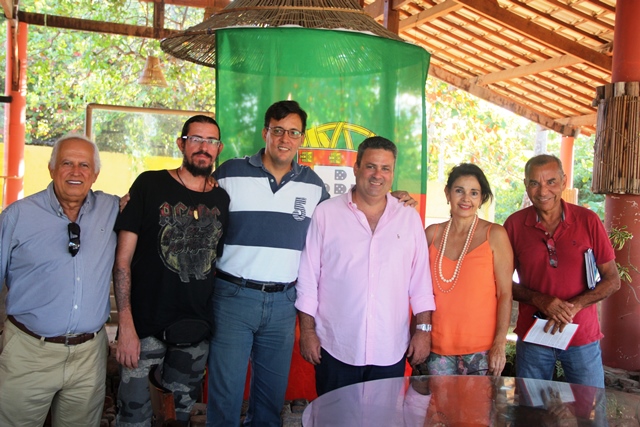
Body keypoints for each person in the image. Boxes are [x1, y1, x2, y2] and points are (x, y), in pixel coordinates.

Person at [295, 136, 436, 396]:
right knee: (333, 420)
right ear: (356, 167)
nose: (377, 175)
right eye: (371, 166)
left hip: (390, 348)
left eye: (385, 168)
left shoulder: (408, 219)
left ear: (393, 173)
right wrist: (307, 332)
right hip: (335, 346)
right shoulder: (326, 213)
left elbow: (421, 283)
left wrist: (423, 332)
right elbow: (307, 278)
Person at [114, 115, 229, 425]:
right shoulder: (149, 184)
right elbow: (122, 262)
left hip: (194, 331)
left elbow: (213, 264)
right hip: (144, 329)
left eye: (211, 141)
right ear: (181, 143)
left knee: (177, 419)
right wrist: (125, 326)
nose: (203, 147)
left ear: (218, 149)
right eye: (196, 139)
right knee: (133, 416)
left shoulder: (221, 198)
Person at [0, 134, 119, 425]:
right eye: (66, 163)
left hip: (89, 356)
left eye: (84, 165)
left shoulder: (112, 209)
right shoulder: (18, 215)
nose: (76, 172)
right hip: (28, 352)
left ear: (96, 174)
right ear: (52, 169)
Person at [504, 154, 620, 388]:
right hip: (534, 336)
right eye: (534, 183)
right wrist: (540, 299)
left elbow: (612, 280)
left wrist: (575, 306)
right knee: (532, 412)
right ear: (526, 185)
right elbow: (501, 283)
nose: (543, 191)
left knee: (591, 414)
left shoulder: (588, 220)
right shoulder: (514, 225)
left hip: (581, 337)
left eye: (551, 182)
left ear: (564, 182)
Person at [423, 163, 513, 376]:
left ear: (481, 198)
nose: (466, 199)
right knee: (439, 409)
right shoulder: (431, 234)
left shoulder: (495, 235)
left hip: (481, 351)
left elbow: (505, 294)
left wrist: (500, 343)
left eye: (474, 193)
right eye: (459, 191)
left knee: (476, 409)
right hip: (437, 348)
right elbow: (418, 290)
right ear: (447, 193)